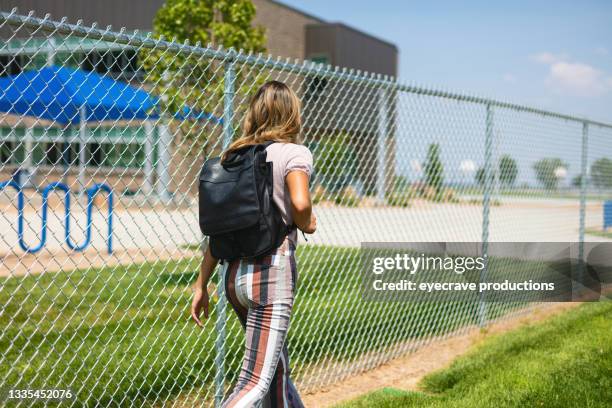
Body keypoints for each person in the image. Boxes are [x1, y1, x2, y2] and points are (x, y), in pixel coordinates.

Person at [190, 80, 316, 407]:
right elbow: (301, 206)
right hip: (270, 276)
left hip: (234, 279)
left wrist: (201, 284)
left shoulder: (234, 156)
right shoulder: (293, 153)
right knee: (255, 382)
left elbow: (218, 233)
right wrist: (309, 223)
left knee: (275, 370)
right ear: (291, 115)